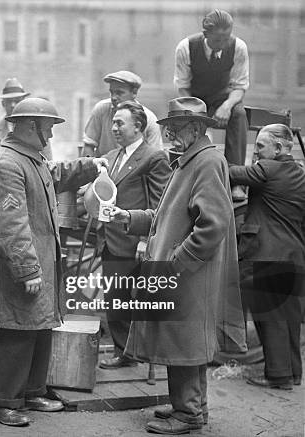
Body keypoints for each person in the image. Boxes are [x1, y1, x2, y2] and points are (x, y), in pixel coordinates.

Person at [110, 97, 245, 434]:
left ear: (197, 129)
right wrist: (131, 217)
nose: (168, 133)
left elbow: (211, 226)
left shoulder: (207, 162)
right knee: (179, 343)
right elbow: (166, 217)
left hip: (188, 275)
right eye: (168, 128)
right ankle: (188, 408)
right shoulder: (188, 161)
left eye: (176, 128)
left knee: (185, 342)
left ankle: (189, 414)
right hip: (181, 272)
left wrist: (175, 263)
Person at [0, 97, 104, 427]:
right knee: (19, 330)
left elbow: (54, 175)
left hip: (41, 260)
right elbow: (12, 224)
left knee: (40, 326)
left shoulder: (29, 159)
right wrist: (27, 269)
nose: (49, 135)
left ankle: (33, 391)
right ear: (29, 127)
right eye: (46, 128)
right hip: (25, 264)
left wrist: (91, 166)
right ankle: (4, 402)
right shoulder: (7, 164)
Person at [95, 101, 171, 369]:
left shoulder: (154, 157)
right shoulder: (112, 156)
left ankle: (138, 352)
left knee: (136, 301)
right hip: (110, 240)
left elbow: (159, 204)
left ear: (138, 127)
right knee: (115, 298)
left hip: (134, 242)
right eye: (113, 122)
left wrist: (143, 240)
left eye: (120, 123)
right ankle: (124, 352)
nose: (114, 127)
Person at [230, 124, 305, 390]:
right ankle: (294, 372)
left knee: (269, 316)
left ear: (279, 148)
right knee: (290, 318)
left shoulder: (268, 169)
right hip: (294, 255)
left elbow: (233, 173)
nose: (257, 151)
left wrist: (209, 161)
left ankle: (278, 376)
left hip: (266, 253)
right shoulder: (299, 173)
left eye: (261, 146)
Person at [174, 9, 250, 200]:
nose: (222, 44)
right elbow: (182, 87)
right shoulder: (186, 47)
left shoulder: (239, 47)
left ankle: (236, 182)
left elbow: (240, 86)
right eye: (217, 40)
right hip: (194, 98)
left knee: (239, 114)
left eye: (226, 39)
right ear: (205, 34)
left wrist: (227, 106)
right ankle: (190, 179)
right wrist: (194, 112)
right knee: (186, 122)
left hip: (222, 99)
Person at [82, 71, 163, 158]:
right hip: (103, 168)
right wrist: (88, 169)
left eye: (119, 93)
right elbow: (89, 145)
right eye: (111, 92)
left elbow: (156, 155)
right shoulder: (101, 109)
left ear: (134, 93)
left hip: (136, 170)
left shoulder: (149, 118)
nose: (113, 97)